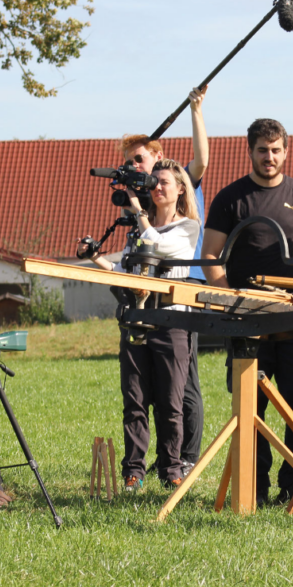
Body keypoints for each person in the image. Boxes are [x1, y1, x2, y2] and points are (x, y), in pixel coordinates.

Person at [202, 118, 293, 507]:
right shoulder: (230, 198)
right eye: (263, 150)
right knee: (250, 405)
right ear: (250, 151)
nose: (270, 157)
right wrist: (229, 298)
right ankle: (254, 489)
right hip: (248, 319)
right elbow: (210, 255)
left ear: (286, 151)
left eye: (276, 150)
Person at [90, 159, 201, 490]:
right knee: (135, 400)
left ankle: (171, 471)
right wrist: (95, 258)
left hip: (171, 321)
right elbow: (127, 269)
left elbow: (159, 247)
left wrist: (139, 212)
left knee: (170, 403)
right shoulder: (140, 227)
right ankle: (134, 472)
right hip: (137, 318)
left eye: (164, 182)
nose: (158, 187)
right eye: (155, 182)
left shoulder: (188, 227)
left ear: (180, 190)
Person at [117, 87, 209, 474]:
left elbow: (201, 161)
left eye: (140, 159)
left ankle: (182, 460)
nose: (136, 168)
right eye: (129, 162)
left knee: (182, 391)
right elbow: (129, 259)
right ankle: (144, 465)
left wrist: (196, 111)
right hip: (142, 310)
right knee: (140, 395)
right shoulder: (142, 207)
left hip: (179, 303)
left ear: (158, 157)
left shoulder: (176, 188)